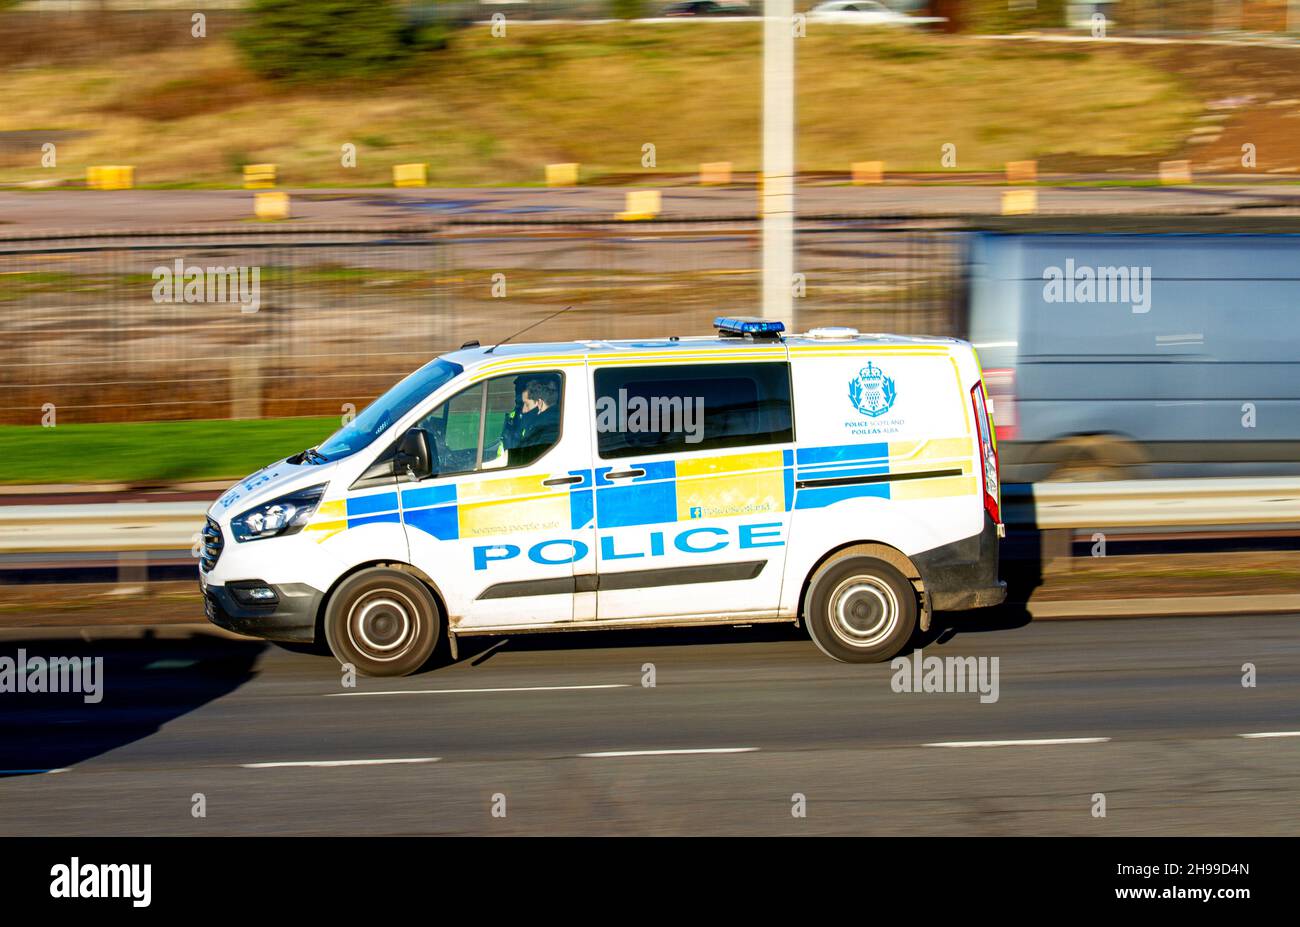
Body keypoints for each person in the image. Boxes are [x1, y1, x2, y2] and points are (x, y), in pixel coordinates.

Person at [510, 377, 561, 466]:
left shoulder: (546, 430)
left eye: (527, 404)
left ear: (540, 403)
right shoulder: (554, 423)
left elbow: (524, 458)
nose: (524, 410)